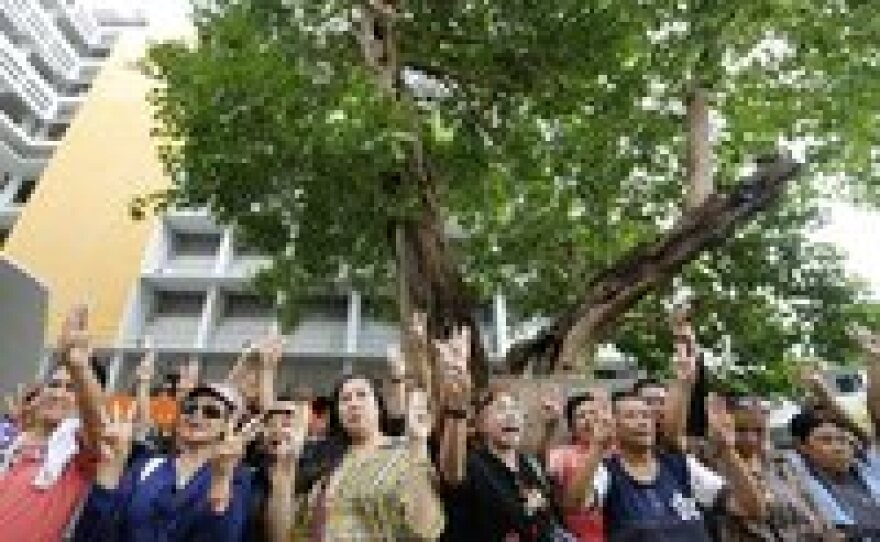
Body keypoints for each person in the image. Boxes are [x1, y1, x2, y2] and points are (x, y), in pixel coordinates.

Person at [266, 374, 444, 541]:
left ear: (378, 406)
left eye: (361, 395)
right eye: (345, 399)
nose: (353, 404)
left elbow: (427, 529)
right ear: (337, 412)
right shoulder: (320, 457)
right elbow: (281, 535)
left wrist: (418, 443)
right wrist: (285, 468)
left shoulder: (406, 451)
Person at [569, 390, 763, 542]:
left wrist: (727, 451)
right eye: (631, 416)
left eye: (646, 415)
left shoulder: (681, 465)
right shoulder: (606, 471)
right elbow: (575, 504)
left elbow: (751, 509)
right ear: (613, 425)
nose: (642, 422)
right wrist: (597, 446)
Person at [72, 382, 255, 542]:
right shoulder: (148, 465)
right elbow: (97, 526)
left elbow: (222, 535)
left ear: (228, 425)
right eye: (189, 409)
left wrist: (221, 478)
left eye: (211, 412)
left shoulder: (237, 477)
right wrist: (109, 468)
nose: (196, 416)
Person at [0, 305, 105, 542]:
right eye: (54, 384)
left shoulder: (77, 452)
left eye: (71, 388)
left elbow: (98, 427)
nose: (58, 393)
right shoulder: (13, 440)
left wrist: (79, 366)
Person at [442, 385, 569, 542]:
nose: (511, 415)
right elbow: (451, 474)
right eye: (501, 408)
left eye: (516, 409)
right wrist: (456, 412)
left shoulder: (529, 464)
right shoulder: (471, 465)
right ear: (479, 424)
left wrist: (550, 427)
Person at [711, 395, 834, 541]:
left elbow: (812, 509)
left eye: (759, 430)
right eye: (740, 430)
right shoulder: (710, 469)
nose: (751, 438)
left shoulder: (779, 463)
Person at [786, 407, 880, 540]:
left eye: (841, 440)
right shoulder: (800, 484)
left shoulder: (868, 469)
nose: (838, 448)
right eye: (826, 440)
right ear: (803, 447)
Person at [545, 390, 612, 541]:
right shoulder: (562, 455)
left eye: (594, 413)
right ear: (572, 428)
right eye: (582, 416)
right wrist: (549, 428)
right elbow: (542, 469)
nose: (589, 419)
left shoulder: (621, 453)